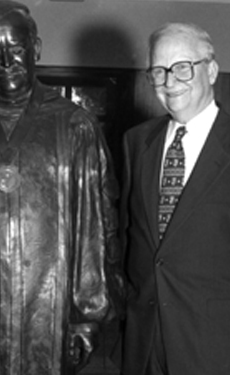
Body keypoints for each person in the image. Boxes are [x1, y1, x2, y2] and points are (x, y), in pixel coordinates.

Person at [0, 1, 124, 374]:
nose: (7, 60)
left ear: (37, 49)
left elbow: (94, 225)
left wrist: (86, 313)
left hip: (47, 305)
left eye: (16, 47)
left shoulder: (74, 126)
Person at [120, 22, 230, 375]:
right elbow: (127, 236)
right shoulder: (136, 142)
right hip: (143, 340)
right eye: (158, 71)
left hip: (213, 344)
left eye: (182, 67)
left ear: (211, 71)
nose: (169, 82)